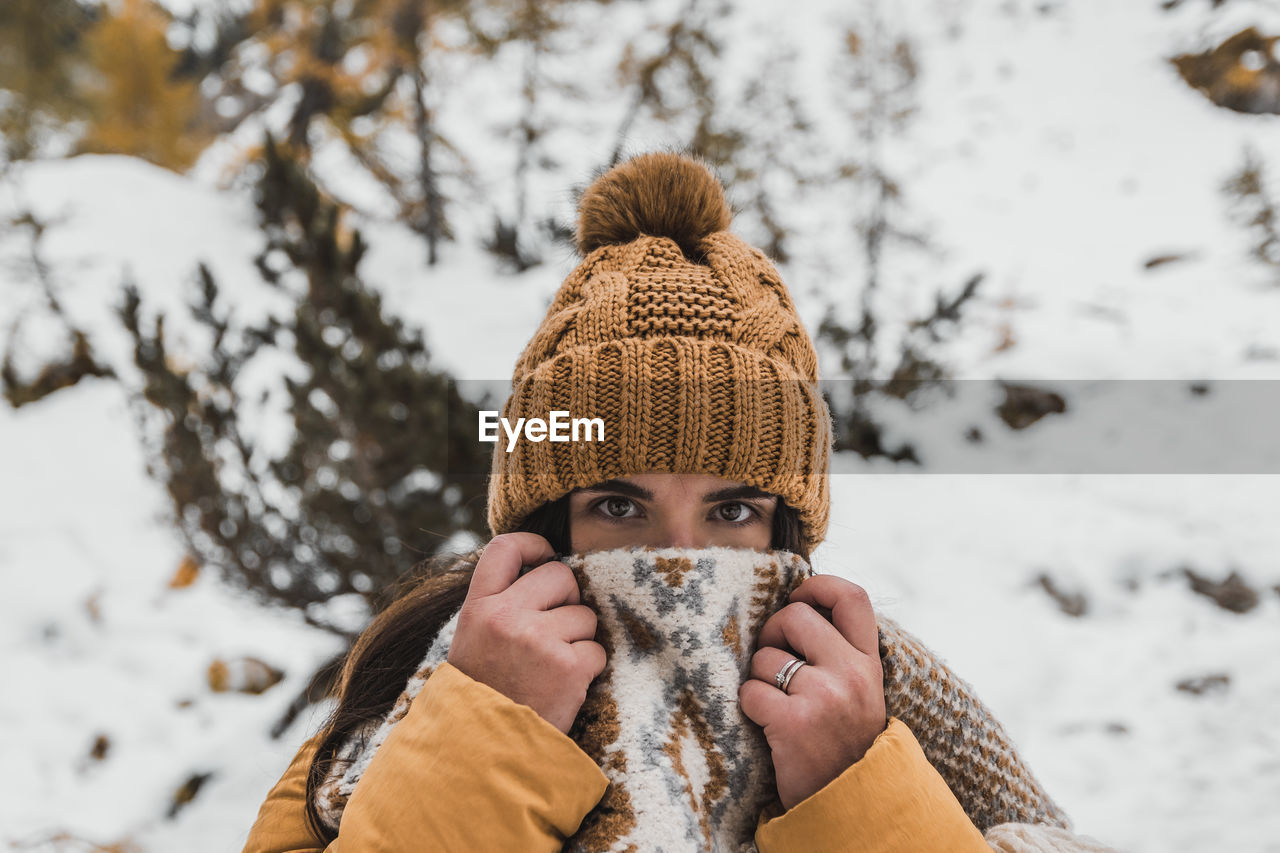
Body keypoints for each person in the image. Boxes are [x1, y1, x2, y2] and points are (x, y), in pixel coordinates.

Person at [243, 151, 1114, 852]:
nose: (676, 561)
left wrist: (859, 790)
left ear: (788, 531)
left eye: (733, 512)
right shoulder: (409, 684)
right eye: (619, 507)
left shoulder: (885, 695)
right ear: (543, 525)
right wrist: (485, 737)